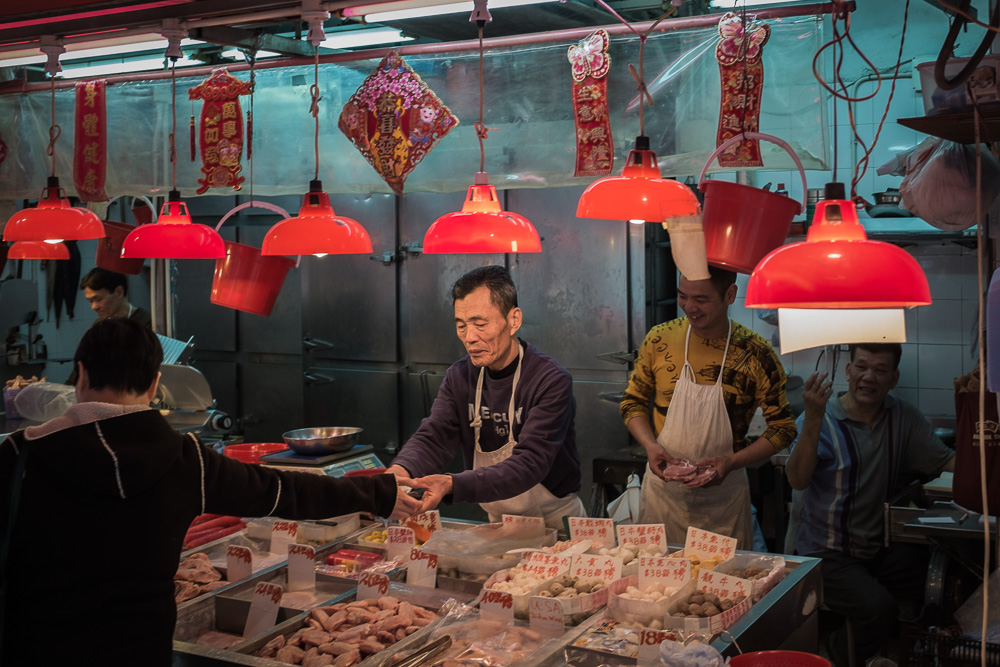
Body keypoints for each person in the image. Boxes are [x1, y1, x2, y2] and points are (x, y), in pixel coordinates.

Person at [0, 318, 420, 666]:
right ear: (154, 384)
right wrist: (376, 493)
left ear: (82, 374)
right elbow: (282, 491)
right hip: (140, 651)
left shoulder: (20, 455)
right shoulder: (186, 460)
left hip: (37, 648)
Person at [785, 343, 955, 665]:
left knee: (940, 580)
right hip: (824, 553)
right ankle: (835, 653)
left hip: (875, 548)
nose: (868, 377)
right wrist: (813, 419)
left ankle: (910, 655)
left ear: (893, 378)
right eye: (862, 367)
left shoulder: (902, 415)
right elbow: (796, 479)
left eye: (880, 370)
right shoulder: (820, 418)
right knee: (879, 610)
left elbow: (946, 460)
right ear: (848, 372)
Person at [387, 265, 586, 530]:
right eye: (461, 326)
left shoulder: (549, 379)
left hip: (557, 521)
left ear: (513, 320)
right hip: (498, 523)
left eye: (480, 324)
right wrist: (400, 471)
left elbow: (530, 463)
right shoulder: (459, 376)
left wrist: (452, 484)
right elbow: (435, 436)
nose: (470, 338)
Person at [620, 266, 796, 547]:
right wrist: (650, 446)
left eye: (701, 299)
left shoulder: (755, 352)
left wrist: (732, 462)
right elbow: (633, 403)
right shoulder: (659, 338)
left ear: (730, 294)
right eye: (682, 296)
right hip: (664, 498)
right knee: (657, 588)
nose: (689, 307)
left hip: (724, 501)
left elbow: (783, 428)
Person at [80, 266, 152, 326]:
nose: (94, 307)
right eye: (90, 301)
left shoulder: (146, 323)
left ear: (118, 292)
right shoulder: (99, 325)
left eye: (99, 299)